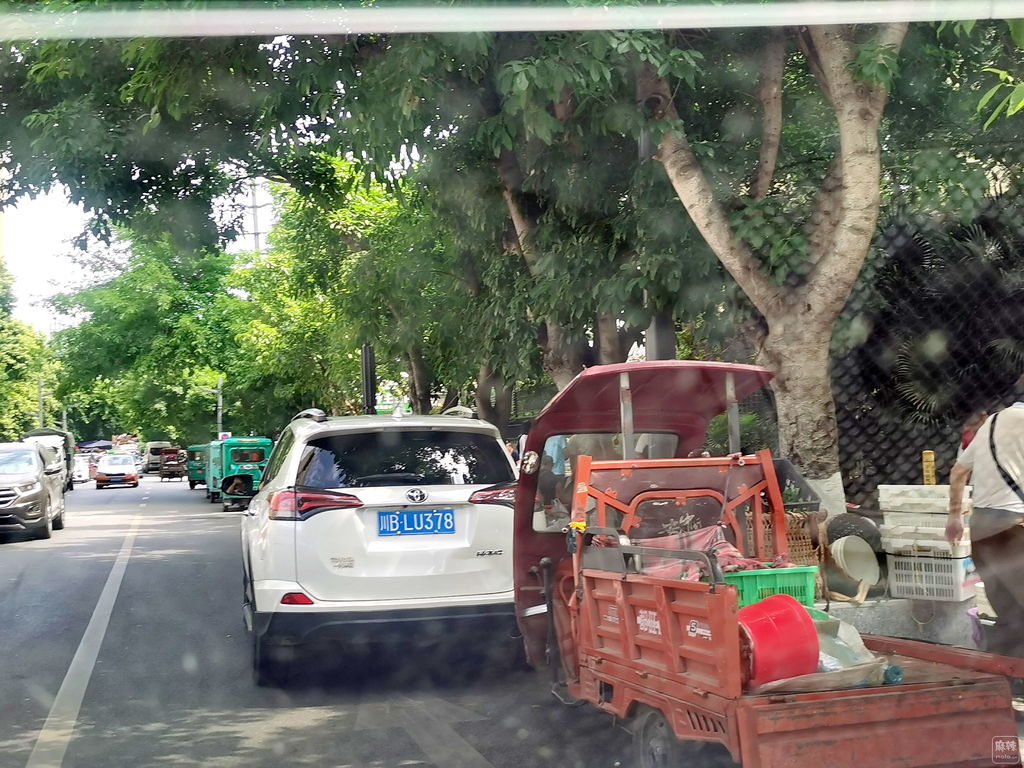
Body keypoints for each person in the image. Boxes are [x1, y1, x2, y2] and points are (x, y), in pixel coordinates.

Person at [947, 378, 1024, 657]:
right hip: (1014, 528)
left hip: (980, 528)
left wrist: (954, 518)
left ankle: (1006, 674)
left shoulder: (991, 423)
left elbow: (958, 472)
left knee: (1008, 615)